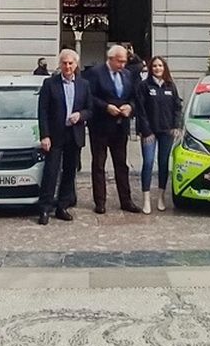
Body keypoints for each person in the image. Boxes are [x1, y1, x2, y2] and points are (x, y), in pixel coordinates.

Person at [37, 48, 92, 226]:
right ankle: (45, 208)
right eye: (64, 63)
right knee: (51, 172)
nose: (67, 66)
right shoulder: (49, 84)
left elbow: (90, 109)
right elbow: (43, 111)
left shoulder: (84, 85)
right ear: (59, 64)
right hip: (55, 135)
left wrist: (80, 115)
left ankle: (63, 206)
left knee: (69, 172)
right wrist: (44, 135)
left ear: (76, 64)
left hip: (74, 134)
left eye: (71, 63)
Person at [84, 43, 137, 214]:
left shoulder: (127, 74)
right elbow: (89, 97)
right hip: (100, 126)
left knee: (121, 165)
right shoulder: (96, 73)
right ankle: (100, 201)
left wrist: (130, 107)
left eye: (124, 61)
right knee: (99, 164)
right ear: (111, 59)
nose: (123, 65)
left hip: (120, 127)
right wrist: (106, 107)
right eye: (120, 61)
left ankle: (126, 200)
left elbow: (134, 96)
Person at [134, 56, 182, 212]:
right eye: (154, 66)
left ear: (164, 68)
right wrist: (145, 130)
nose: (157, 68)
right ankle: (146, 199)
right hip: (149, 132)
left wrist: (176, 126)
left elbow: (177, 108)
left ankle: (160, 196)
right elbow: (140, 110)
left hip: (166, 131)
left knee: (163, 164)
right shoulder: (144, 86)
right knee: (148, 163)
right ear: (150, 68)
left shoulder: (170, 86)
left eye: (160, 65)